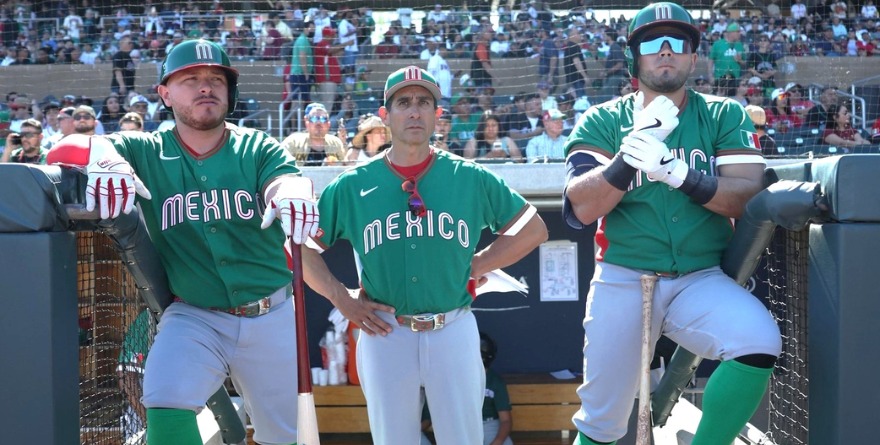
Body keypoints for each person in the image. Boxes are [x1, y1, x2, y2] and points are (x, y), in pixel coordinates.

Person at [46, 39, 320, 445]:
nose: (205, 87)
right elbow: (62, 151)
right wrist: (101, 155)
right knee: (164, 393)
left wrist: (292, 188)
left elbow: (283, 178)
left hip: (271, 314)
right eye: (190, 79)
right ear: (165, 93)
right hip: (196, 315)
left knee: (283, 436)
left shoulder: (256, 145)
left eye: (215, 79)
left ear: (230, 91)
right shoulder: (144, 148)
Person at [562, 4, 782, 444]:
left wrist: (682, 175)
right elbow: (581, 208)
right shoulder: (603, 119)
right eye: (652, 43)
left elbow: (748, 193)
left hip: (698, 277)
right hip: (623, 274)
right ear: (633, 57)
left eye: (678, 42)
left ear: (694, 57)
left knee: (758, 341)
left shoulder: (723, 114)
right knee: (602, 419)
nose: (666, 52)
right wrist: (629, 156)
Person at [301, 65, 548, 445]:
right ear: (385, 116)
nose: (414, 111)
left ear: (437, 115)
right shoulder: (352, 185)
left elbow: (534, 230)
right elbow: (301, 249)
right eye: (403, 102)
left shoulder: (469, 176)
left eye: (423, 102)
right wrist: (341, 298)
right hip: (386, 332)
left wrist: (479, 263)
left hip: (453, 327)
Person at [419, 332, 515, 445]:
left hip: (488, 425)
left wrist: (497, 442)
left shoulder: (494, 381)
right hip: (461, 425)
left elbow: (505, 420)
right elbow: (435, 417)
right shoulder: (452, 379)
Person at [280, 102, 346, 166]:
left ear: (328, 123)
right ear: (306, 122)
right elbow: (279, 162)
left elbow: (345, 166)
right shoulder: (293, 142)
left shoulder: (336, 143)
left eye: (323, 119)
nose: (318, 123)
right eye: (314, 118)